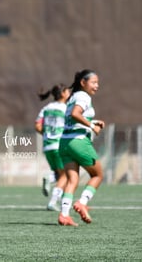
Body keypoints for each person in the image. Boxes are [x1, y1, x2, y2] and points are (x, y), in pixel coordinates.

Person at [58, 69, 105, 226]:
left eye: (97, 82)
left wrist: (94, 121)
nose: (96, 85)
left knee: (73, 180)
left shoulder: (72, 97)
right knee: (97, 175)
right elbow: (75, 114)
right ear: (83, 83)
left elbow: (74, 118)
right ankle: (82, 202)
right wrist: (92, 125)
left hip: (64, 142)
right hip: (78, 142)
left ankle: (64, 215)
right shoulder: (83, 96)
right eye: (93, 82)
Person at [35, 84, 71, 211]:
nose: (69, 93)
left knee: (59, 173)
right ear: (62, 93)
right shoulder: (66, 108)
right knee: (66, 175)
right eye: (67, 91)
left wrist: (47, 134)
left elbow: (38, 126)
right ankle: (53, 201)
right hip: (59, 145)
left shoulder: (46, 108)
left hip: (47, 146)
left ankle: (49, 177)